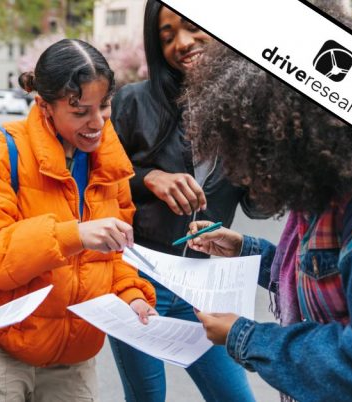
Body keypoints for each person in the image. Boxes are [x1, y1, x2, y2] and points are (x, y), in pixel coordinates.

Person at [183, 11, 352, 402]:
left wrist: (245, 337)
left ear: (285, 141)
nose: (242, 173)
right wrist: (245, 249)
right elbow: (324, 278)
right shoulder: (329, 181)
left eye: (249, 152)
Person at [0, 39, 157, 402]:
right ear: (44, 105)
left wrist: (132, 295)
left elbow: (116, 257)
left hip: (73, 359)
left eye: (104, 106)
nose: (97, 123)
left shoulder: (110, 163)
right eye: (80, 112)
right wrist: (72, 234)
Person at [108, 1, 262, 401]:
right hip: (138, 280)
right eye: (167, 36)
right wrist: (149, 179)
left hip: (203, 285)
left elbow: (259, 208)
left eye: (193, 27)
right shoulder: (133, 102)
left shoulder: (245, 109)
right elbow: (99, 189)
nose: (182, 42)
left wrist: (256, 173)